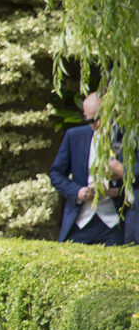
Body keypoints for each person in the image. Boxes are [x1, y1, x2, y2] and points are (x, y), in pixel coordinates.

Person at [50, 92, 124, 245]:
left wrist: (116, 191)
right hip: (79, 221)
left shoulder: (124, 138)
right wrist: (77, 191)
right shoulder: (74, 136)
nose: (96, 124)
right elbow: (56, 174)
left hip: (114, 222)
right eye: (90, 120)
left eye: (99, 118)